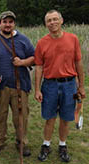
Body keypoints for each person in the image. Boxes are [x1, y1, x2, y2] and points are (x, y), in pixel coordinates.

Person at [34, 10, 85, 162]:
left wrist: (81, 86)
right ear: (46, 24)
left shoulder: (73, 39)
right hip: (49, 85)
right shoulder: (42, 43)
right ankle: (46, 144)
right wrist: (37, 89)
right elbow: (38, 67)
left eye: (55, 19)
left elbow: (78, 63)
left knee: (65, 117)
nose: (53, 23)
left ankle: (62, 145)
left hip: (69, 84)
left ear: (61, 20)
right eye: (49, 20)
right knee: (50, 117)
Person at [0, 11, 35, 157]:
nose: (7, 24)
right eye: (4, 22)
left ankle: (22, 142)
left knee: (21, 116)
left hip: (21, 85)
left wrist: (22, 62)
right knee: (0, 115)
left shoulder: (23, 40)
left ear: (14, 23)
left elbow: (35, 58)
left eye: (10, 22)